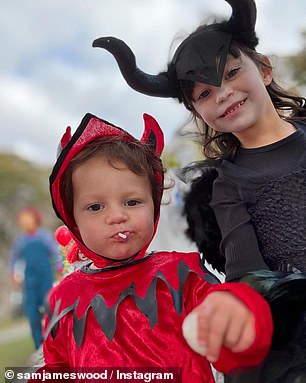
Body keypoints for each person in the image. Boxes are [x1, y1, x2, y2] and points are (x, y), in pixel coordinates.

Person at [91, 0, 306, 381]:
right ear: (197, 112)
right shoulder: (227, 188)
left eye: (232, 72)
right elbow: (248, 279)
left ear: (265, 69)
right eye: (204, 94)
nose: (222, 93)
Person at [36, 112, 273, 382]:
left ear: (154, 203)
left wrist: (240, 314)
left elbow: (230, 325)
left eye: (132, 202)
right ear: (73, 219)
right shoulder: (64, 299)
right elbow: (56, 368)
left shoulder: (183, 275)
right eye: (95, 207)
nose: (116, 216)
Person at [9, 207, 63, 350]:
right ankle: (39, 347)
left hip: (45, 278)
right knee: (33, 313)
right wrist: (13, 274)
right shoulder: (21, 241)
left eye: (28, 218)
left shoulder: (44, 237)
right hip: (29, 281)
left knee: (49, 309)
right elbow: (14, 259)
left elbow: (56, 253)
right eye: (23, 220)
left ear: (35, 219)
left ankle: (55, 343)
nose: (26, 222)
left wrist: (59, 268)